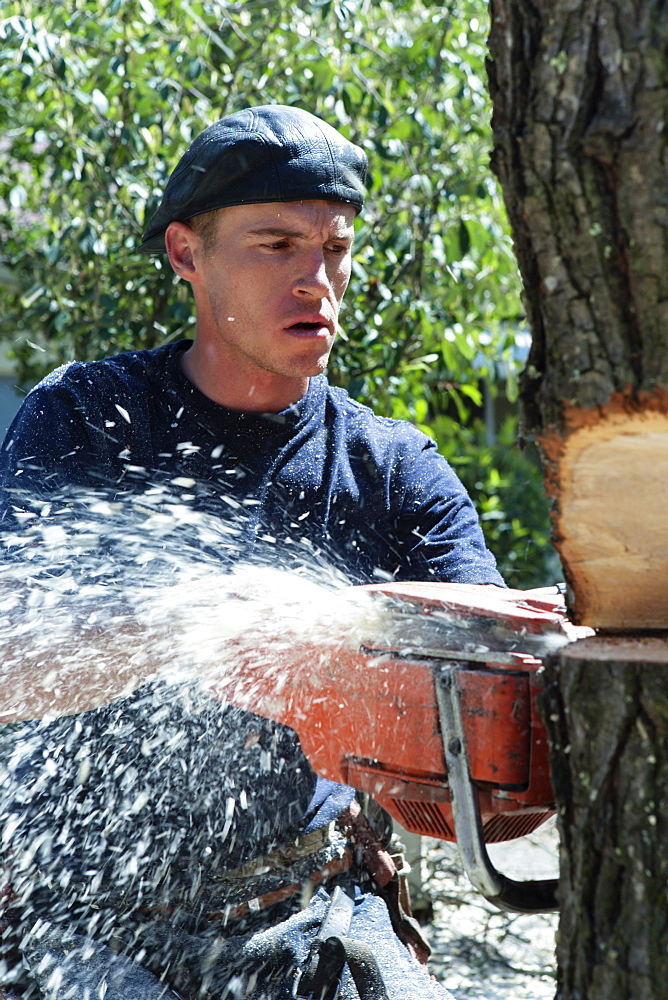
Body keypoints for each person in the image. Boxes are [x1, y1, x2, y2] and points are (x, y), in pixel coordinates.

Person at [0, 106, 504, 999]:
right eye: (276, 244)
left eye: (335, 248)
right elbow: (11, 663)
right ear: (187, 254)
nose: (317, 278)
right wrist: (196, 626)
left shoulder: (393, 469)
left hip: (316, 909)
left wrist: (394, 697)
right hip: (79, 922)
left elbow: (495, 773)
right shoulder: (83, 418)